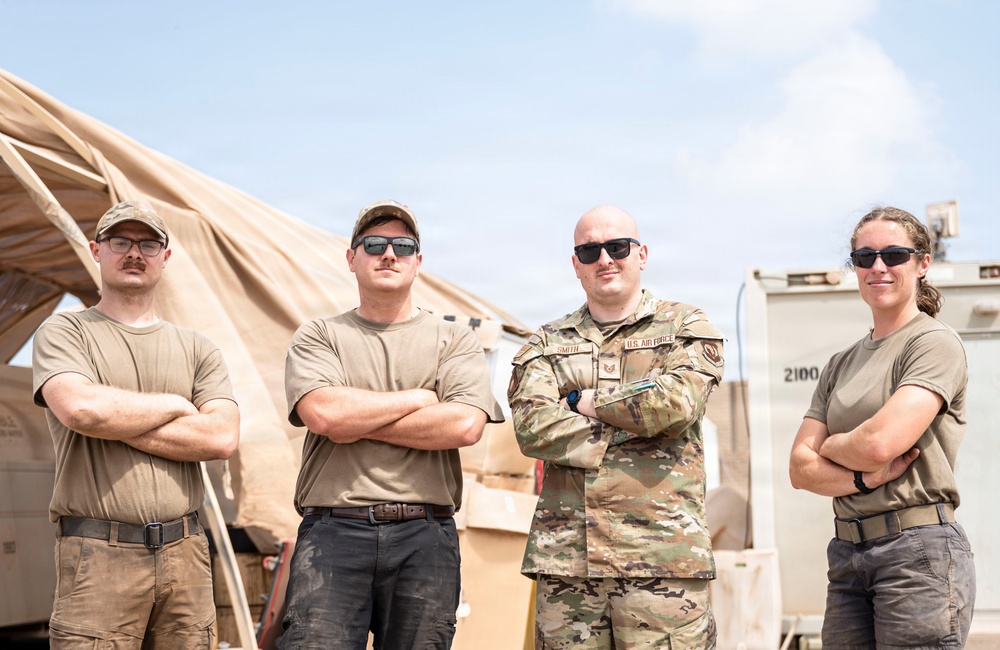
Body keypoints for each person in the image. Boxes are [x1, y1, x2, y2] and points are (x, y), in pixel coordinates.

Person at [279, 199, 505, 649]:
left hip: (425, 538)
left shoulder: (453, 339)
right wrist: (419, 400)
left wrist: (352, 422)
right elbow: (323, 414)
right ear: (351, 258)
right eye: (374, 243)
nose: (389, 254)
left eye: (402, 245)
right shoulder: (319, 335)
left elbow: (463, 426)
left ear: (417, 261)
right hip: (333, 535)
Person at [508, 205, 725, 649]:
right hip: (569, 566)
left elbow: (675, 405)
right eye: (590, 250)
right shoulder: (546, 343)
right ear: (576, 265)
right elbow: (532, 427)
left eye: (617, 247)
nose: (604, 259)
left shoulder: (685, 326)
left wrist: (582, 402)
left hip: (662, 563)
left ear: (641, 254)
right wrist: (640, 426)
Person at [32, 199, 241, 648]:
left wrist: (117, 421)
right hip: (97, 555)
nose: (134, 252)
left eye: (148, 243)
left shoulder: (198, 348)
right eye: (120, 241)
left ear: (165, 257)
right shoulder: (66, 332)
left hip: (186, 553)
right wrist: (178, 405)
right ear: (96, 250)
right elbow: (83, 411)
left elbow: (221, 437)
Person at [789, 206, 975, 647]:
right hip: (848, 554)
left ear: (922, 263)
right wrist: (861, 477)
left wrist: (829, 447)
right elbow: (799, 469)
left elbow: (880, 443)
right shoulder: (841, 363)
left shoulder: (933, 343)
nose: (878, 267)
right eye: (864, 257)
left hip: (916, 554)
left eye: (893, 255)